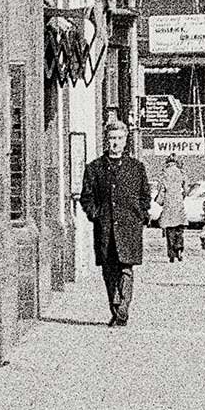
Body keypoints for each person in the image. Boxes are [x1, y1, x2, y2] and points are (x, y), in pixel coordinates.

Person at [79, 115, 153, 327]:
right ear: (106, 140)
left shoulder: (136, 168)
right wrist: (96, 214)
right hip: (105, 229)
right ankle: (115, 305)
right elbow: (87, 197)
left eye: (119, 138)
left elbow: (145, 195)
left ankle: (122, 308)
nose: (115, 142)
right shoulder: (94, 168)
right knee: (109, 270)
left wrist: (140, 213)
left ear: (126, 140)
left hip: (129, 228)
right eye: (112, 138)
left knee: (126, 269)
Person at [157, 151, 189, 264]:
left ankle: (171, 253)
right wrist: (181, 197)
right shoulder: (181, 172)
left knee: (170, 229)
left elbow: (161, 190)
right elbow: (186, 190)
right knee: (179, 229)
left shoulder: (164, 173)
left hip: (168, 203)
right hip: (178, 202)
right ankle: (179, 248)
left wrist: (160, 201)